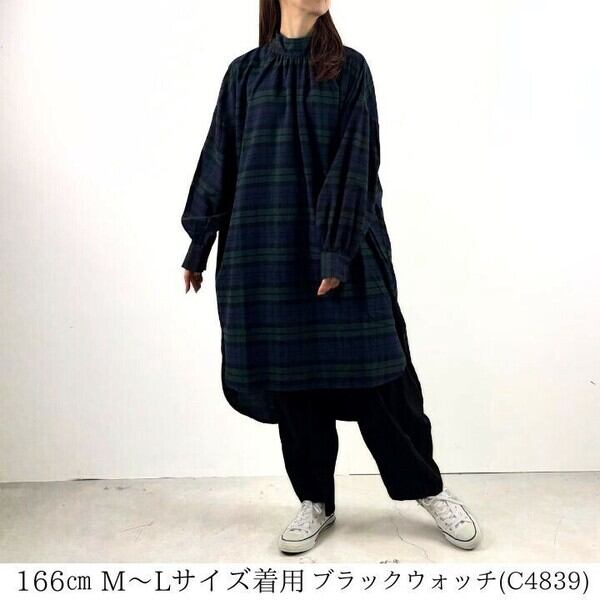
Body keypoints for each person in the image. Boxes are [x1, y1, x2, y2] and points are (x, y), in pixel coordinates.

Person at [181, 0, 483, 553]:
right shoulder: (244, 74)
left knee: (381, 378)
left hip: (343, 246)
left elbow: (357, 164)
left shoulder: (349, 69)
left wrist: (336, 252)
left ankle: (427, 488)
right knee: (294, 383)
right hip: (267, 251)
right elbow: (220, 158)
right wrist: (199, 244)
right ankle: (314, 500)